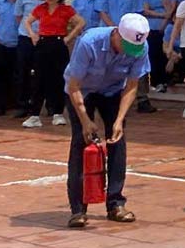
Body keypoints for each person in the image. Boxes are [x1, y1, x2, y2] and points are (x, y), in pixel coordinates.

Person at [64, 14, 150, 228]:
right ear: (116, 34)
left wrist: (119, 120)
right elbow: (73, 86)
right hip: (81, 91)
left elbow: (131, 86)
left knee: (117, 141)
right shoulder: (88, 42)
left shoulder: (140, 46)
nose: (130, 52)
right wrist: (85, 121)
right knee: (81, 143)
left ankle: (115, 203)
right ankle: (78, 209)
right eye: (127, 46)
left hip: (111, 91)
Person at [23, 0, 87, 127]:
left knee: (59, 78)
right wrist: (33, 35)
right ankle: (34, 114)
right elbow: (27, 22)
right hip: (43, 43)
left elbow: (81, 22)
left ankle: (57, 113)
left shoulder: (66, 10)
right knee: (38, 79)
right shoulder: (40, 9)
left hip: (58, 43)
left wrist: (69, 38)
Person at [96, 0, 153, 114]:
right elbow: (102, 12)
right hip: (110, 36)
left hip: (130, 36)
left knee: (138, 64)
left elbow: (137, 13)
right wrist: (115, 30)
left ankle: (142, 98)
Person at [14, 0, 47, 118]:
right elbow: (19, 17)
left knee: (43, 72)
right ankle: (23, 105)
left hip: (44, 38)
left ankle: (46, 105)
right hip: (25, 38)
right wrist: (30, 32)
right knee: (23, 72)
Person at [141, 0, 177, 94]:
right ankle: (155, 82)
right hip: (151, 27)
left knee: (164, 54)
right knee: (152, 55)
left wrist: (165, 21)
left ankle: (165, 81)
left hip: (166, 27)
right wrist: (161, 15)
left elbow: (172, 8)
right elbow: (145, 10)